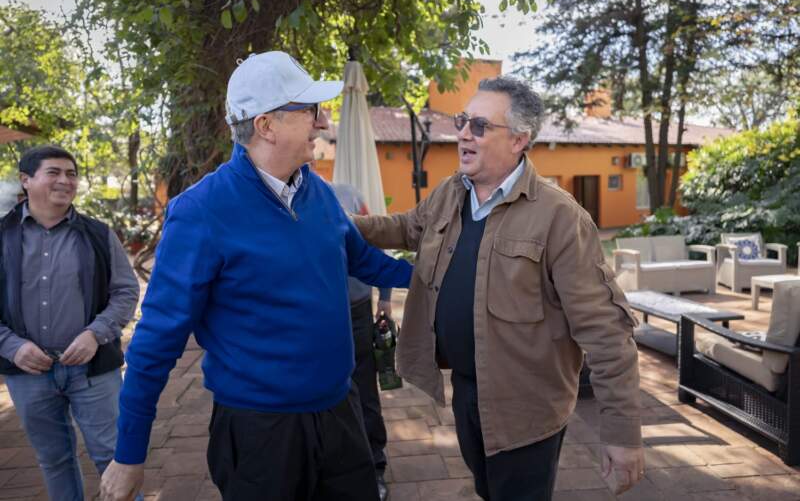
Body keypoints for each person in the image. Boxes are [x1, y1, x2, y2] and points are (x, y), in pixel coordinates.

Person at [100, 51, 413, 501]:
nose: (321, 122)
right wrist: (129, 453)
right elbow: (156, 340)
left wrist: (433, 276)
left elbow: (362, 260)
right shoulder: (201, 211)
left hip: (340, 414)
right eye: (309, 110)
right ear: (266, 125)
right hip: (260, 432)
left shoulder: (318, 192)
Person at [353, 76, 645, 500]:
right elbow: (404, 227)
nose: (463, 134)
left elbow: (606, 332)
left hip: (526, 408)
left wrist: (622, 434)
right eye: (462, 121)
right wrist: (338, 223)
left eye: (480, 126)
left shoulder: (559, 217)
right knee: (488, 490)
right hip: (467, 392)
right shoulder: (451, 193)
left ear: (519, 140)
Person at [0, 145, 141, 501]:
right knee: (54, 461)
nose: (65, 180)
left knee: (114, 458)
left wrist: (96, 334)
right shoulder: (1, 236)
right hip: (27, 373)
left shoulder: (98, 234)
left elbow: (125, 292)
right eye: (54, 172)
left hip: (93, 370)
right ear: (26, 180)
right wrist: (11, 346)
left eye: (71, 174)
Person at [331, 182, 393, 501]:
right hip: (315, 315)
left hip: (356, 311)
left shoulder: (348, 196)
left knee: (364, 388)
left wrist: (385, 296)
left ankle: (375, 467)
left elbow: (375, 244)